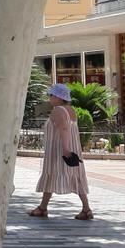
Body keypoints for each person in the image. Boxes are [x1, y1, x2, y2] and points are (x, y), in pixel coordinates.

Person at [28, 83, 92, 219]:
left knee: (52, 173)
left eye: (51, 95)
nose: (49, 98)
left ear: (58, 97)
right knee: (75, 176)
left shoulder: (58, 110)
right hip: (71, 147)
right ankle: (85, 208)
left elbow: (63, 129)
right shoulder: (71, 110)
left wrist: (65, 149)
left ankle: (43, 208)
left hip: (59, 149)